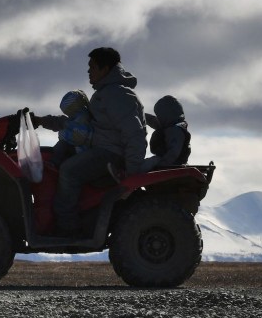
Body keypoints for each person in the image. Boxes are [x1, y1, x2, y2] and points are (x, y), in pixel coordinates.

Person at [48, 47, 146, 236]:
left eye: (92, 67)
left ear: (105, 69)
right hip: (102, 149)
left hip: (111, 154)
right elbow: (81, 124)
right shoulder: (106, 93)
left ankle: (67, 229)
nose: (88, 72)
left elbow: (135, 135)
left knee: (69, 171)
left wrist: (132, 176)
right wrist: (42, 121)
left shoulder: (117, 94)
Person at [33, 89, 93, 168]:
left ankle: (53, 163)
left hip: (80, 150)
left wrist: (64, 134)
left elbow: (80, 136)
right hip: (78, 149)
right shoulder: (76, 118)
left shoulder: (82, 118)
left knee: (61, 146)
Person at [140, 95, 191, 172]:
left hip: (171, 163)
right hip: (166, 160)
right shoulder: (169, 125)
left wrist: (162, 165)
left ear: (166, 116)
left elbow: (174, 152)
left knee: (146, 164)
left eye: (160, 116)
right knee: (149, 162)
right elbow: (153, 121)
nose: (159, 118)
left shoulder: (175, 130)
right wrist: (142, 116)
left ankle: (130, 173)